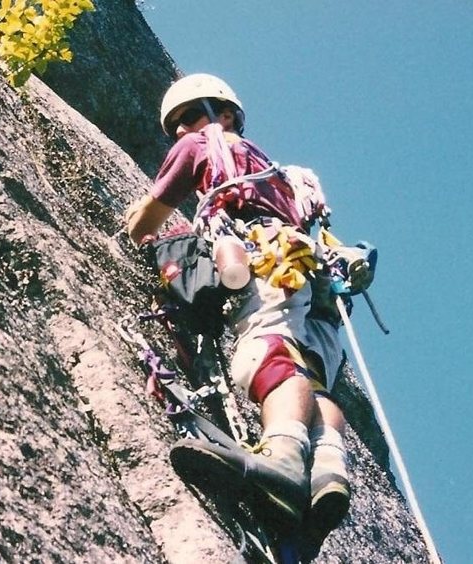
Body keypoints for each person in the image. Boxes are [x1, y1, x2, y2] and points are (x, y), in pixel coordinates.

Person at [125, 73, 374, 538]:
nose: (180, 131)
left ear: (222, 115)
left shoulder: (205, 144)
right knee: (312, 380)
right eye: (175, 125)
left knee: (267, 353)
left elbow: (148, 218)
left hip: (267, 261)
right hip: (315, 280)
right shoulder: (287, 176)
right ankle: (326, 475)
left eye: (188, 116)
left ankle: (281, 462)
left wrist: (134, 228)